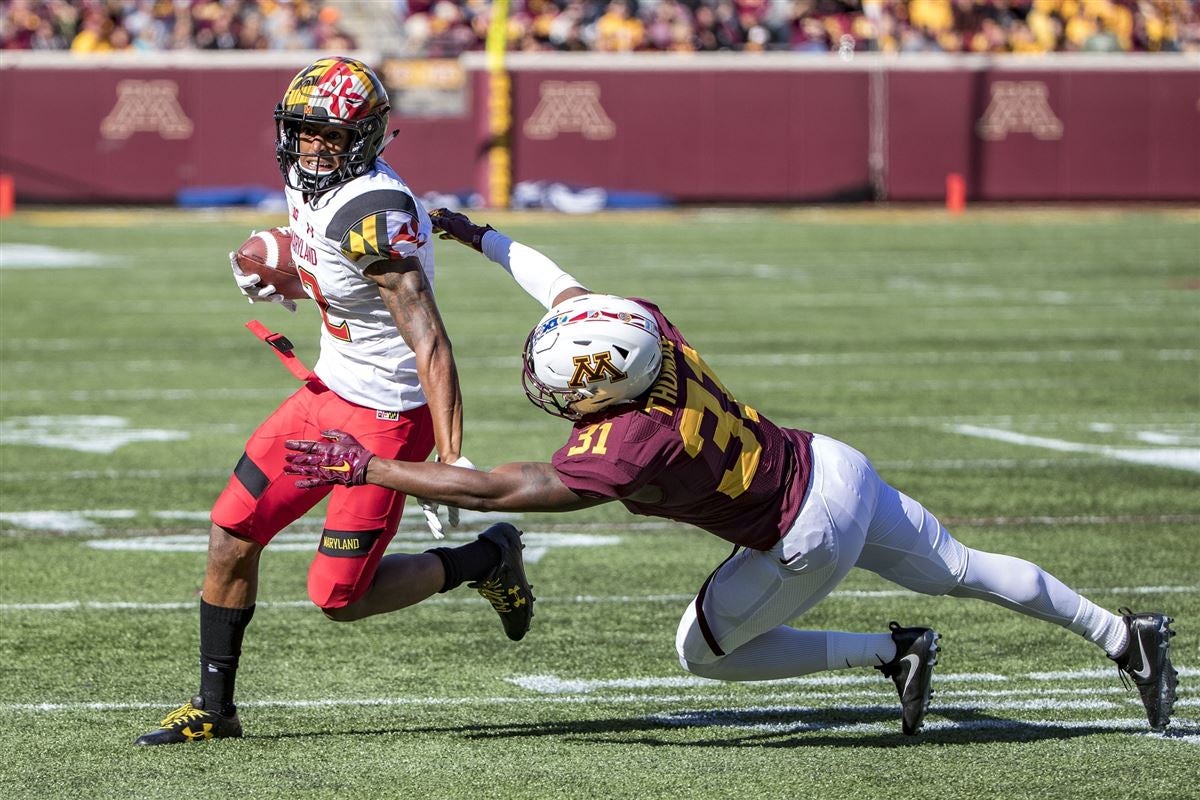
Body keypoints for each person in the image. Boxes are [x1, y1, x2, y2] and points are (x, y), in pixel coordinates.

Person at [282, 209, 1179, 736]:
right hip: (833, 463)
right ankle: (1122, 635)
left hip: (801, 531)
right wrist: (482, 236)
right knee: (964, 568)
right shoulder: (644, 333)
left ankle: (892, 653)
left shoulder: (627, 442)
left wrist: (368, 467)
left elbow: (497, 488)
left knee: (701, 655)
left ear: (598, 388)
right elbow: (559, 286)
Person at [134, 61, 534, 746]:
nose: (313, 147)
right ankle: (214, 707)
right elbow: (317, 244)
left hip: (384, 419)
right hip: (323, 395)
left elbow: (430, 339)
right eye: (302, 131)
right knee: (232, 531)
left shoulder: (372, 212)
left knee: (339, 598)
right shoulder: (306, 177)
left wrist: (450, 456)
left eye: (329, 134)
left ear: (367, 136)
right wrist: (278, 262)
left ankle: (486, 559)